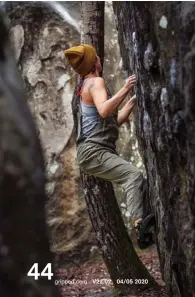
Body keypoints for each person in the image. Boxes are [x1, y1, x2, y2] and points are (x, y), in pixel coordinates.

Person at [64, 44, 155, 249]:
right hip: (93, 151)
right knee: (133, 176)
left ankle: (145, 225)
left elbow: (114, 119)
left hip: (92, 153)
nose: (99, 57)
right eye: (96, 55)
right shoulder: (95, 82)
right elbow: (105, 111)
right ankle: (140, 225)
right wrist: (125, 87)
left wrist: (133, 99)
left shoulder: (88, 84)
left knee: (135, 181)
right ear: (93, 62)